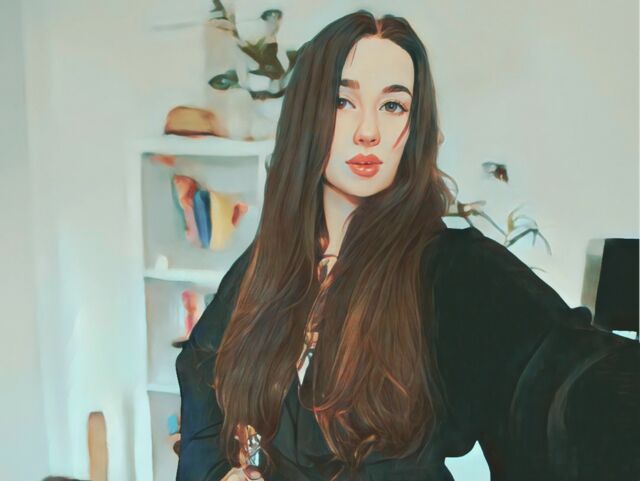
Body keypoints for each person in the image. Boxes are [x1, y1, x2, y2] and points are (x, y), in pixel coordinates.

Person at [175, 10, 640, 481]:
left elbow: (571, 380)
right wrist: (219, 474)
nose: (368, 131)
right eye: (343, 101)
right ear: (306, 114)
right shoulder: (267, 266)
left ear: (414, 126)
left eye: (393, 106)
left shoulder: (454, 271)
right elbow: (201, 381)